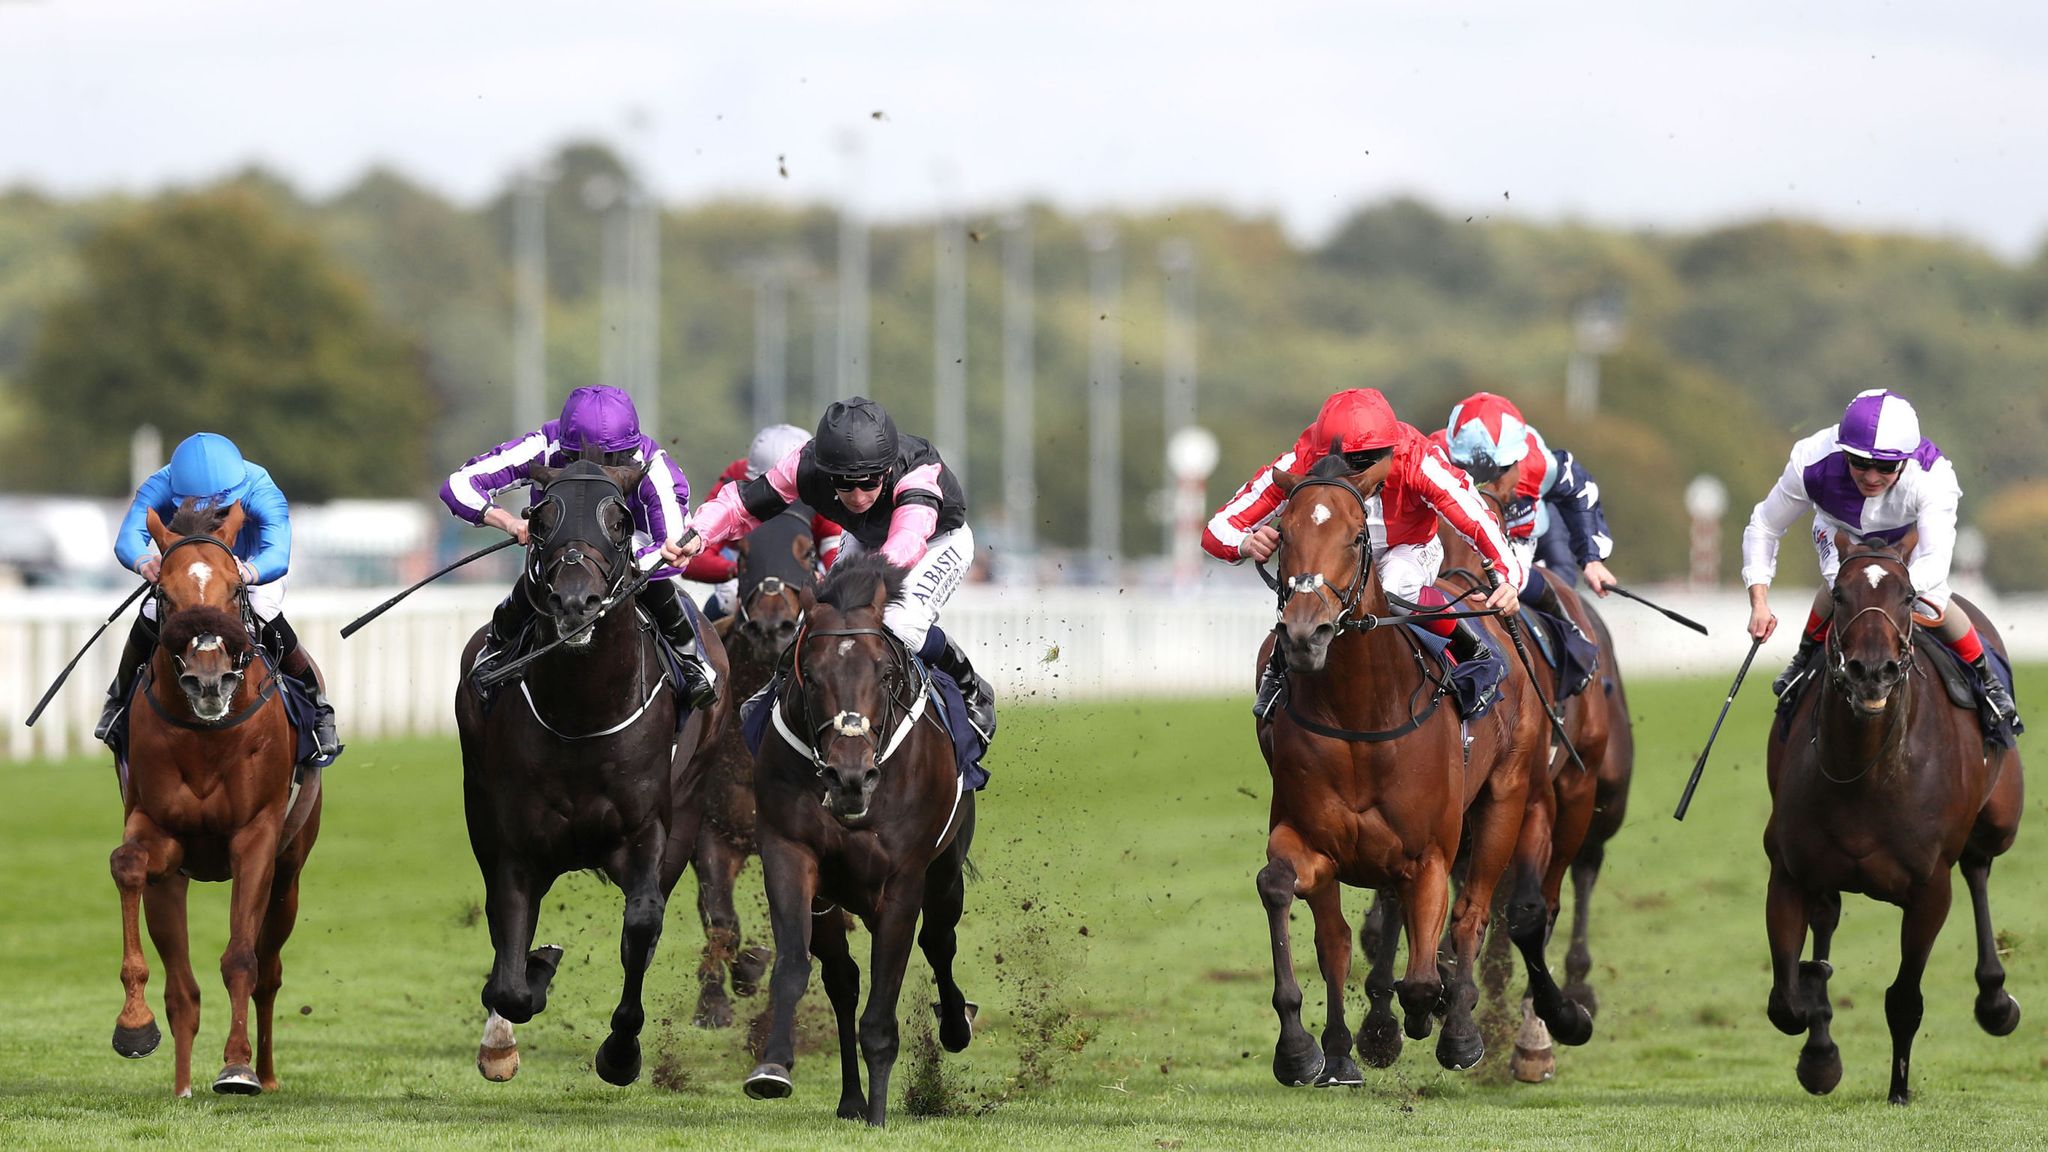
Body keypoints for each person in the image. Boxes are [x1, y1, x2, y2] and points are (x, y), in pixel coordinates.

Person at [680, 397, 995, 741]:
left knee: (897, 623)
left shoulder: (918, 472)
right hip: (865, 537)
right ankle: (776, 687)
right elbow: (742, 503)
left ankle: (970, 686)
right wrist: (697, 535)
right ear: (827, 472)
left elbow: (907, 541)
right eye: (844, 484)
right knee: (823, 617)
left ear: (888, 469)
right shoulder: (805, 464)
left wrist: (860, 585)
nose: (858, 496)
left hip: (936, 541)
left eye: (870, 481)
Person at [1204, 388, 1524, 719]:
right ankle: (1279, 664)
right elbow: (1217, 530)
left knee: (1393, 588)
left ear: (1391, 451)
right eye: (1342, 462)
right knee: (1306, 583)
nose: (1351, 473)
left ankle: (1475, 651)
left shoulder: (1419, 459)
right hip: (1338, 554)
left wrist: (1508, 577)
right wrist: (1245, 542)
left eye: (1364, 463)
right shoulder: (1301, 460)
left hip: (1408, 548)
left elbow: (1474, 519)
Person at [1742, 388, 2018, 726]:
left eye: (1886, 466)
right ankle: (1802, 661)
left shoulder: (1934, 476)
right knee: (1840, 586)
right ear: (1844, 452)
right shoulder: (1810, 461)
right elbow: (1764, 526)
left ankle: (1986, 679)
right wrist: (1759, 600)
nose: (1871, 477)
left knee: (1931, 597)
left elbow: (1935, 559)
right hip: (1842, 532)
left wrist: (1891, 588)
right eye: (1859, 463)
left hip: (1907, 539)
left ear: (1904, 459)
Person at [440, 385, 717, 711]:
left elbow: (674, 545)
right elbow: (458, 485)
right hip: (559, 556)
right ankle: (495, 650)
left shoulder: (654, 466)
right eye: (575, 461)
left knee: (655, 586)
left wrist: (626, 563)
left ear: (628, 453)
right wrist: (511, 523)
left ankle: (691, 659)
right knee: (536, 579)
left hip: (627, 552)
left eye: (611, 463)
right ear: (565, 447)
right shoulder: (543, 446)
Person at [99, 432, 339, 756]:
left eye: (222, 509)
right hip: (191, 575)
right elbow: (128, 538)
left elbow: (277, 555)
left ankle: (317, 705)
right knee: (152, 612)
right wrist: (145, 563)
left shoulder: (261, 488)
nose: (212, 514)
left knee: (261, 606)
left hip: (252, 567)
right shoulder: (160, 483)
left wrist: (244, 573)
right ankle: (118, 698)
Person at [1439, 391, 1617, 624]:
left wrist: (1592, 559)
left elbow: (1580, 490)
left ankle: (1578, 649)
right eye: (1473, 469)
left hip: (1529, 529)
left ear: (1516, 461)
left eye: (1500, 469)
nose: (1487, 483)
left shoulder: (1540, 465)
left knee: (1557, 584)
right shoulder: (1433, 458)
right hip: (1471, 535)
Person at [700, 423, 845, 619]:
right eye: (766, 487)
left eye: (787, 487)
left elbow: (836, 561)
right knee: (726, 601)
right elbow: (695, 560)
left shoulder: (822, 491)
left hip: (803, 573)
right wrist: (737, 571)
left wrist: (823, 583)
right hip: (745, 571)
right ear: (751, 478)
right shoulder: (735, 477)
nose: (777, 494)